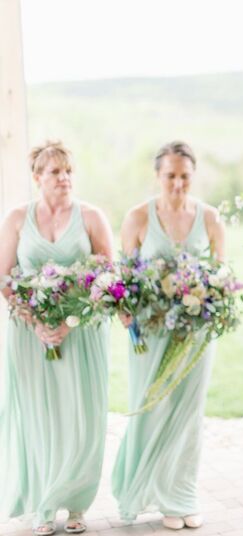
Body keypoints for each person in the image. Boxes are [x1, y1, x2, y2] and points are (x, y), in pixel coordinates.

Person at [0, 141, 114, 536]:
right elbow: (5, 279)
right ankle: (44, 506)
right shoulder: (17, 219)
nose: (64, 178)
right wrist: (36, 322)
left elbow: (109, 277)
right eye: (55, 172)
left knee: (81, 417)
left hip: (82, 334)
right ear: (37, 177)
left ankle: (77, 504)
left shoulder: (92, 217)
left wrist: (70, 320)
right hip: (30, 335)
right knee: (40, 417)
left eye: (68, 171)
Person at [111, 141, 225, 530]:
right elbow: (125, 279)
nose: (177, 183)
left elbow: (221, 276)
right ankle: (144, 490)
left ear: (193, 176)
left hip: (195, 332)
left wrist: (206, 296)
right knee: (150, 408)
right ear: (157, 175)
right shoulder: (137, 218)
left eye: (184, 176)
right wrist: (124, 309)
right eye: (170, 176)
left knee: (188, 414)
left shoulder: (210, 218)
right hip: (151, 331)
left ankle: (181, 498)